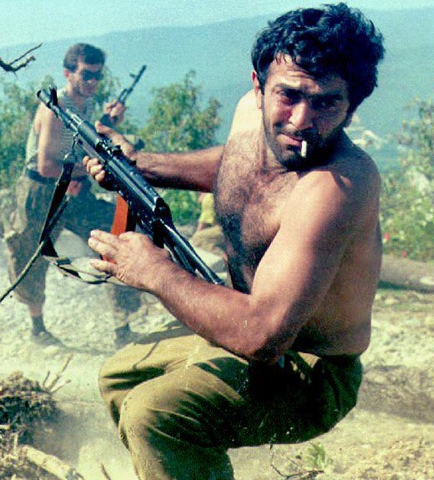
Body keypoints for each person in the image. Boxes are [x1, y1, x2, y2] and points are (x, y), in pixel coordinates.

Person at [83, 4, 385, 478]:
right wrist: (140, 165)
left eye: (327, 103)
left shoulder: (336, 187)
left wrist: (154, 270)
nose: (301, 121)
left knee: (154, 415)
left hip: (308, 371)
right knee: (120, 378)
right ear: (258, 85)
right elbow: (241, 167)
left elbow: (262, 335)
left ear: (353, 107)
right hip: (245, 328)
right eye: (288, 95)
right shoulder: (253, 116)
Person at [5, 43, 142, 347]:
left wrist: (108, 124)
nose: (92, 82)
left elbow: (83, 142)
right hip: (41, 191)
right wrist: (82, 172)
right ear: (68, 73)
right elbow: (46, 165)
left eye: (97, 76)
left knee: (115, 237)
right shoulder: (55, 109)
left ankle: (123, 327)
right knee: (30, 255)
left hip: (74, 189)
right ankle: (37, 328)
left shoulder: (86, 104)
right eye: (86, 75)